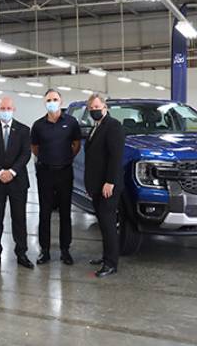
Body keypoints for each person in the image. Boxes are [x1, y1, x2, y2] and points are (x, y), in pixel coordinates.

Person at [30, 89, 81, 265]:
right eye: (49, 100)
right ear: (45, 103)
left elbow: (76, 145)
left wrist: (65, 158)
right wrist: (48, 159)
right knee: (44, 212)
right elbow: (35, 148)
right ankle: (44, 250)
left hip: (65, 172)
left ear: (61, 101)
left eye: (55, 99)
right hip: (45, 173)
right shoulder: (38, 125)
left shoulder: (71, 122)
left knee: (65, 212)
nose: (52, 102)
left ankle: (65, 250)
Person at [0, 96, 33, 269]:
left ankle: (22, 253)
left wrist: (12, 172)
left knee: (19, 218)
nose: (5, 111)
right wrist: (0, 172)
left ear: (14, 110)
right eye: (2, 108)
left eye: (8, 108)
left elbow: (26, 154)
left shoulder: (24, 130)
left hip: (18, 181)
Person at [84, 94, 125, 278]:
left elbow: (115, 157)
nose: (94, 110)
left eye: (97, 107)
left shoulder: (113, 126)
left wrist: (110, 182)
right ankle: (106, 256)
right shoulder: (97, 126)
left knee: (108, 225)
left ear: (105, 107)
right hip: (97, 185)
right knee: (102, 223)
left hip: (108, 186)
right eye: (91, 108)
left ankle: (111, 263)